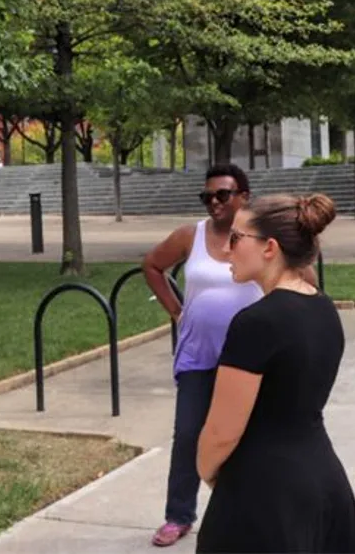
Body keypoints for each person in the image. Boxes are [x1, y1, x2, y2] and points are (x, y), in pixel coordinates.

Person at [194, 194, 355, 553]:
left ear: (269, 247)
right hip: (320, 478)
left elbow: (222, 432)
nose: (228, 250)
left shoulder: (257, 322)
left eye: (236, 238)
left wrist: (206, 469)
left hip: (263, 492)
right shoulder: (322, 308)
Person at [143, 163, 263, 547]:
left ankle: (252, 512)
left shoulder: (262, 234)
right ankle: (179, 515)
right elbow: (152, 265)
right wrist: (177, 310)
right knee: (189, 434)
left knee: (249, 436)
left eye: (223, 195)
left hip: (249, 357)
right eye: (207, 196)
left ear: (243, 196)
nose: (214, 202)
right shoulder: (188, 236)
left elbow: (300, 277)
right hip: (197, 353)